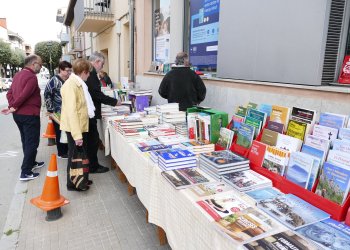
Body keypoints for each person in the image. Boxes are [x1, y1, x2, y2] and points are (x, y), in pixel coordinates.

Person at [1, 54, 44, 181]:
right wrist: (13, 106)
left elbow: (9, 93)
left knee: (26, 140)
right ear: (33, 63)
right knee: (32, 142)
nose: (41, 67)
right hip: (29, 115)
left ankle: (31, 163)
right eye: (40, 65)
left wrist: (13, 106)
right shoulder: (31, 77)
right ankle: (25, 172)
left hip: (19, 115)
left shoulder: (18, 75)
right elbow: (25, 95)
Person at [60, 58, 94, 191]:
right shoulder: (71, 85)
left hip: (80, 127)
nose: (89, 75)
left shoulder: (77, 83)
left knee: (80, 156)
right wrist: (77, 135)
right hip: (75, 129)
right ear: (84, 72)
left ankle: (81, 179)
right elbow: (72, 112)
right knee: (74, 157)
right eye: (88, 73)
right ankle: (72, 184)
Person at [86, 52, 119, 173]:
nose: (102, 67)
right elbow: (96, 94)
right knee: (93, 140)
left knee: (93, 139)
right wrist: (114, 102)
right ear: (97, 62)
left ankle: (91, 164)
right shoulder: (91, 74)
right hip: (90, 112)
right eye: (102, 64)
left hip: (91, 110)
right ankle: (93, 166)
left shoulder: (90, 73)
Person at [44, 61, 72, 159]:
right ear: (61, 70)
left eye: (70, 70)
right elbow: (47, 94)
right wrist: (50, 110)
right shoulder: (54, 80)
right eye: (67, 71)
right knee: (60, 132)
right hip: (57, 112)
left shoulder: (69, 79)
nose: (69, 73)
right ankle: (62, 153)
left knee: (68, 131)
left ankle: (68, 150)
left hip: (69, 111)